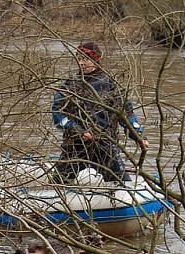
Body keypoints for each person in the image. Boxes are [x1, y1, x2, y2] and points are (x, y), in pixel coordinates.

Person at [51, 41, 148, 184]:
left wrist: (139, 136)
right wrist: (78, 130)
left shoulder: (111, 85)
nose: (81, 63)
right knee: (59, 183)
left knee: (121, 183)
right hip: (76, 146)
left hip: (104, 145)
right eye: (79, 58)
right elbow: (57, 113)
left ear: (96, 60)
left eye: (86, 59)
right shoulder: (69, 85)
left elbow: (126, 115)